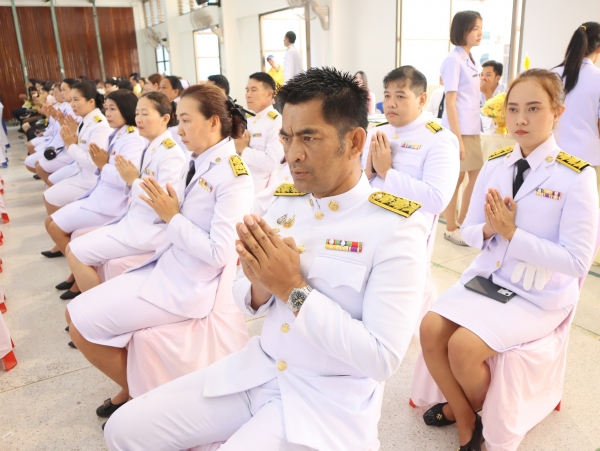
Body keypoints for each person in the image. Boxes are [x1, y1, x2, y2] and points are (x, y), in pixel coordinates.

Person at [103, 66, 428, 451]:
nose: (293, 154)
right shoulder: (286, 202)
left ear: (355, 141)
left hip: (325, 400)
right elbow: (243, 296)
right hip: (259, 369)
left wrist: (293, 289)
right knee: (123, 429)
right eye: (287, 138)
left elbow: (381, 358)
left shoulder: (395, 227)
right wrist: (259, 284)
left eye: (309, 137)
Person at [419, 69, 598, 451]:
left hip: (538, 293)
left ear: (558, 112)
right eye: (513, 108)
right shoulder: (497, 162)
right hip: (488, 277)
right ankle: (466, 414)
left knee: (463, 347)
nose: (520, 118)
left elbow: (577, 262)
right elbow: (468, 230)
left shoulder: (576, 176)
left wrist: (513, 234)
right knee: (430, 328)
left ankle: (467, 414)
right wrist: (490, 229)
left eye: (533, 108)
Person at [66, 82, 254, 426]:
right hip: (166, 265)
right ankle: (135, 390)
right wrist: (163, 209)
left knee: (79, 322)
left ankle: (139, 399)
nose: (178, 130)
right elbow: (170, 209)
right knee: (78, 316)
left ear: (213, 122)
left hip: (189, 285)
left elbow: (219, 252)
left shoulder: (234, 176)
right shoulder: (196, 160)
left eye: (186, 120)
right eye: (178, 121)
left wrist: (172, 217)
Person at [363, 65, 460, 321]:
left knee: (403, 312)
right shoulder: (377, 132)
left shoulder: (439, 139)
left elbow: (436, 199)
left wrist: (387, 172)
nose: (390, 103)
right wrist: (369, 173)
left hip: (405, 236)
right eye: (387, 95)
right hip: (366, 226)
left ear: (422, 99)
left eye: (400, 96)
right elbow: (359, 183)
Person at [66, 92, 185, 293]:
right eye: (137, 113)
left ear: (165, 118)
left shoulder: (170, 154)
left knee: (76, 253)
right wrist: (131, 180)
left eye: (145, 114)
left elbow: (163, 202)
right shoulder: (151, 145)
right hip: (133, 220)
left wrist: (132, 180)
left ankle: (94, 306)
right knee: (73, 247)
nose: (138, 119)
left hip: (149, 229)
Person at [45, 90, 146, 300]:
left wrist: (102, 165)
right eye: (106, 108)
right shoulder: (119, 133)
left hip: (113, 202)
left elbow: (125, 179)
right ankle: (77, 276)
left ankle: (83, 284)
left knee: (55, 226)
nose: (107, 113)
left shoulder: (133, 139)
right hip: (101, 193)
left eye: (112, 109)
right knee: (52, 223)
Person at [440, 11, 484, 246]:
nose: (480, 33)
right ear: (462, 30)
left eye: (480, 28)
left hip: (472, 129)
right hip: (459, 131)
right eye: (475, 28)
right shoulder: (453, 60)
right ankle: (450, 227)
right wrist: (456, 139)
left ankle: (464, 222)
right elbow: (450, 103)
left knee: (476, 178)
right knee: (455, 180)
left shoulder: (471, 59)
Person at [42, 81, 112, 216]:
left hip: (91, 179)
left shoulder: (99, 125)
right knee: (49, 194)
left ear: (91, 101)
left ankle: (63, 224)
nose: (72, 104)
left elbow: (92, 161)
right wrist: (72, 140)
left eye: (76, 100)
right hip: (81, 172)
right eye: (71, 100)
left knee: (50, 198)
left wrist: (71, 145)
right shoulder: (86, 120)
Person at [552, 23, 600, 197]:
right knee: (586, 208)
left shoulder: (552, 74)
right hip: (588, 159)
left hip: (553, 156)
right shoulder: (598, 78)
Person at [234, 72, 283, 193]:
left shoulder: (276, 122)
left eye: (254, 90)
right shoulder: (249, 120)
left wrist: (243, 150)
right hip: (240, 184)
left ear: (269, 94)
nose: (248, 95)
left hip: (261, 190)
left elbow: (273, 161)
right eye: (247, 90)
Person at [159, 75, 186, 151]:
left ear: (175, 91)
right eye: (159, 87)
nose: (160, 91)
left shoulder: (179, 107)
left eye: (164, 87)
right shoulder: (168, 105)